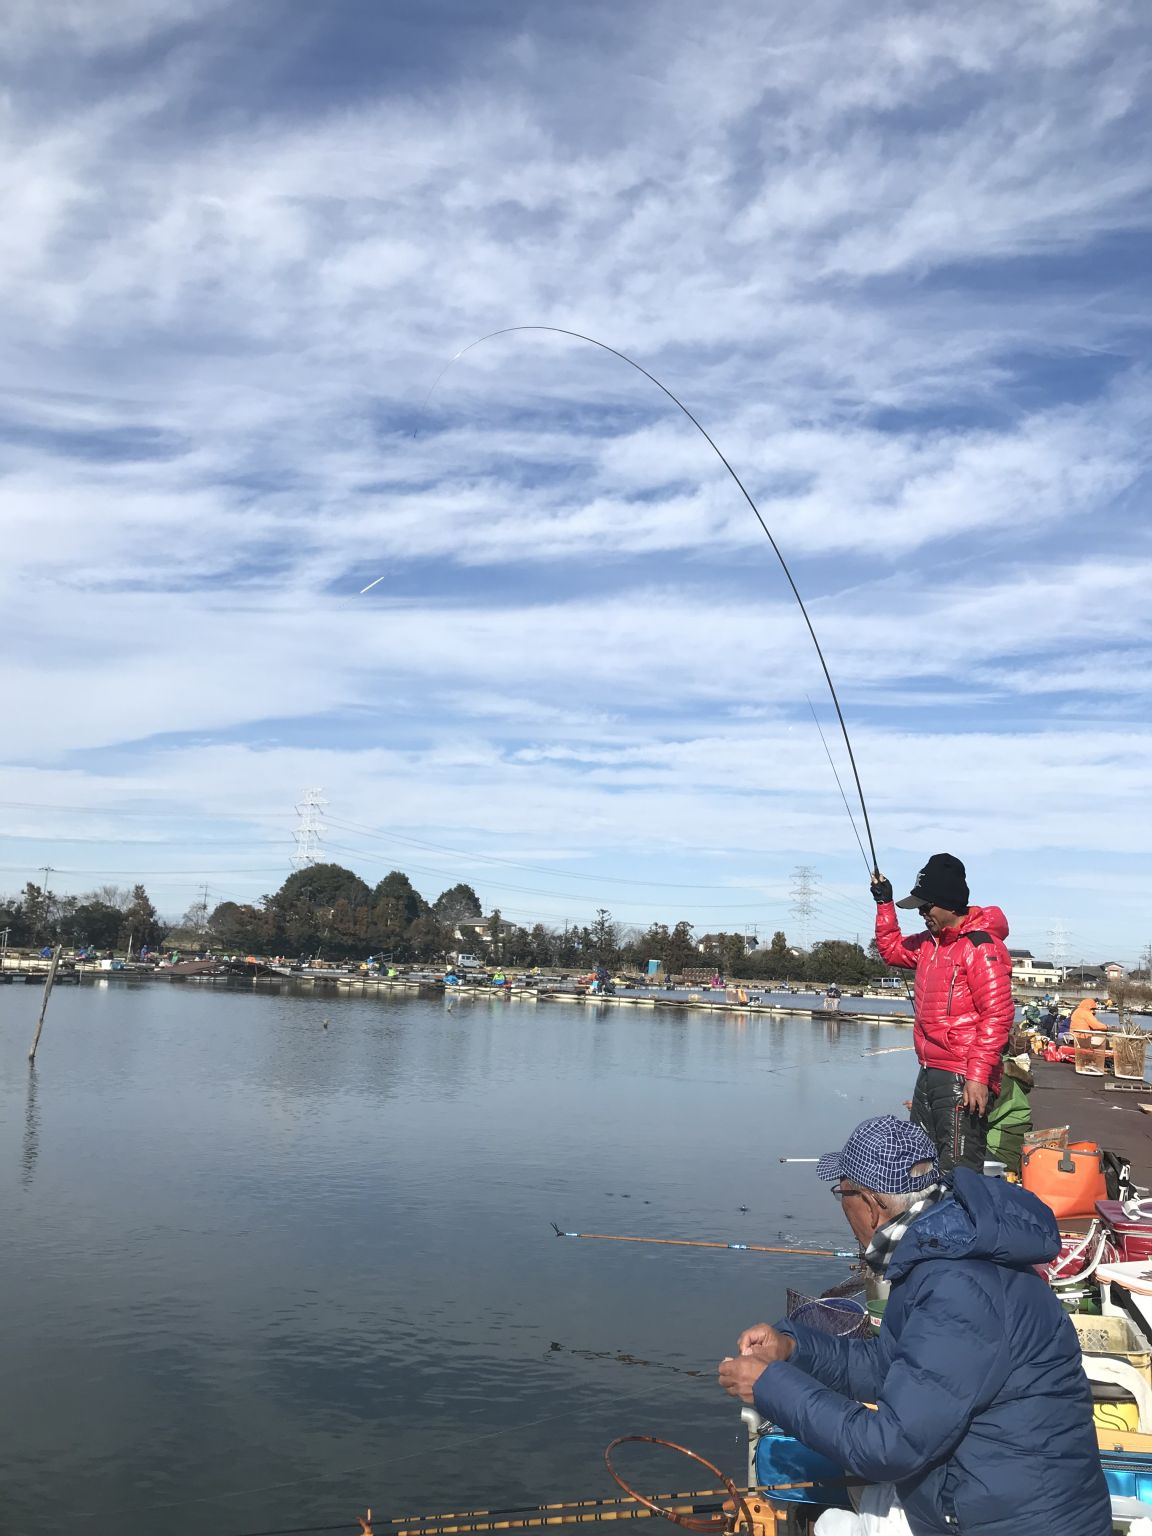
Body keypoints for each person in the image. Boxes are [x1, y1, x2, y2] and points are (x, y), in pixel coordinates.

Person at [718, 1116, 1111, 1536]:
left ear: (870, 1205)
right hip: (984, 1495)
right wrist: (794, 1349)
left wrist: (769, 1385)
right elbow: (892, 1365)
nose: (841, 1206)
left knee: (834, 1523)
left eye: (842, 1192)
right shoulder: (942, 1246)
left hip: (1016, 1522)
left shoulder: (958, 1287)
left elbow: (888, 1447)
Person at [871, 854, 1014, 1172]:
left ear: (950, 904)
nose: (922, 913)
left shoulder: (981, 947)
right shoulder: (927, 944)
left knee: (958, 1170)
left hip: (963, 1074)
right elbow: (891, 949)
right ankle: (927, 1221)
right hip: (928, 1068)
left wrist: (977, 1076)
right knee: (917, 1161)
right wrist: (885, 904)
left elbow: (998, 1015)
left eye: (926, 906)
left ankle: (964, 1220)